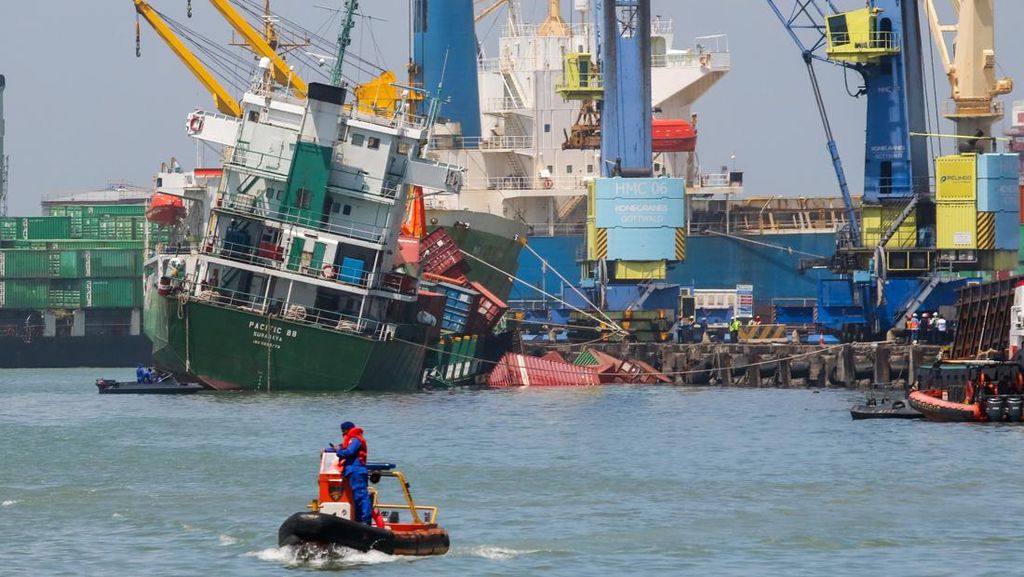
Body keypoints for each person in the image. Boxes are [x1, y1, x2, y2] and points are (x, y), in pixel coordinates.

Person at [330, 421, 372, 525]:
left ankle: (365, 520)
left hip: (356, 470)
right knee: (356, 497)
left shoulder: (355, 439)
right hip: (353, 471)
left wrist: (339, 451)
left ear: (346, 431)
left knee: (361, 495)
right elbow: (344, 448)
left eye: (343, 432)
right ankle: (358, 520)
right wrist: (332, 449)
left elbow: (349, 452)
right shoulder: (350, 440)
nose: (343, 435)